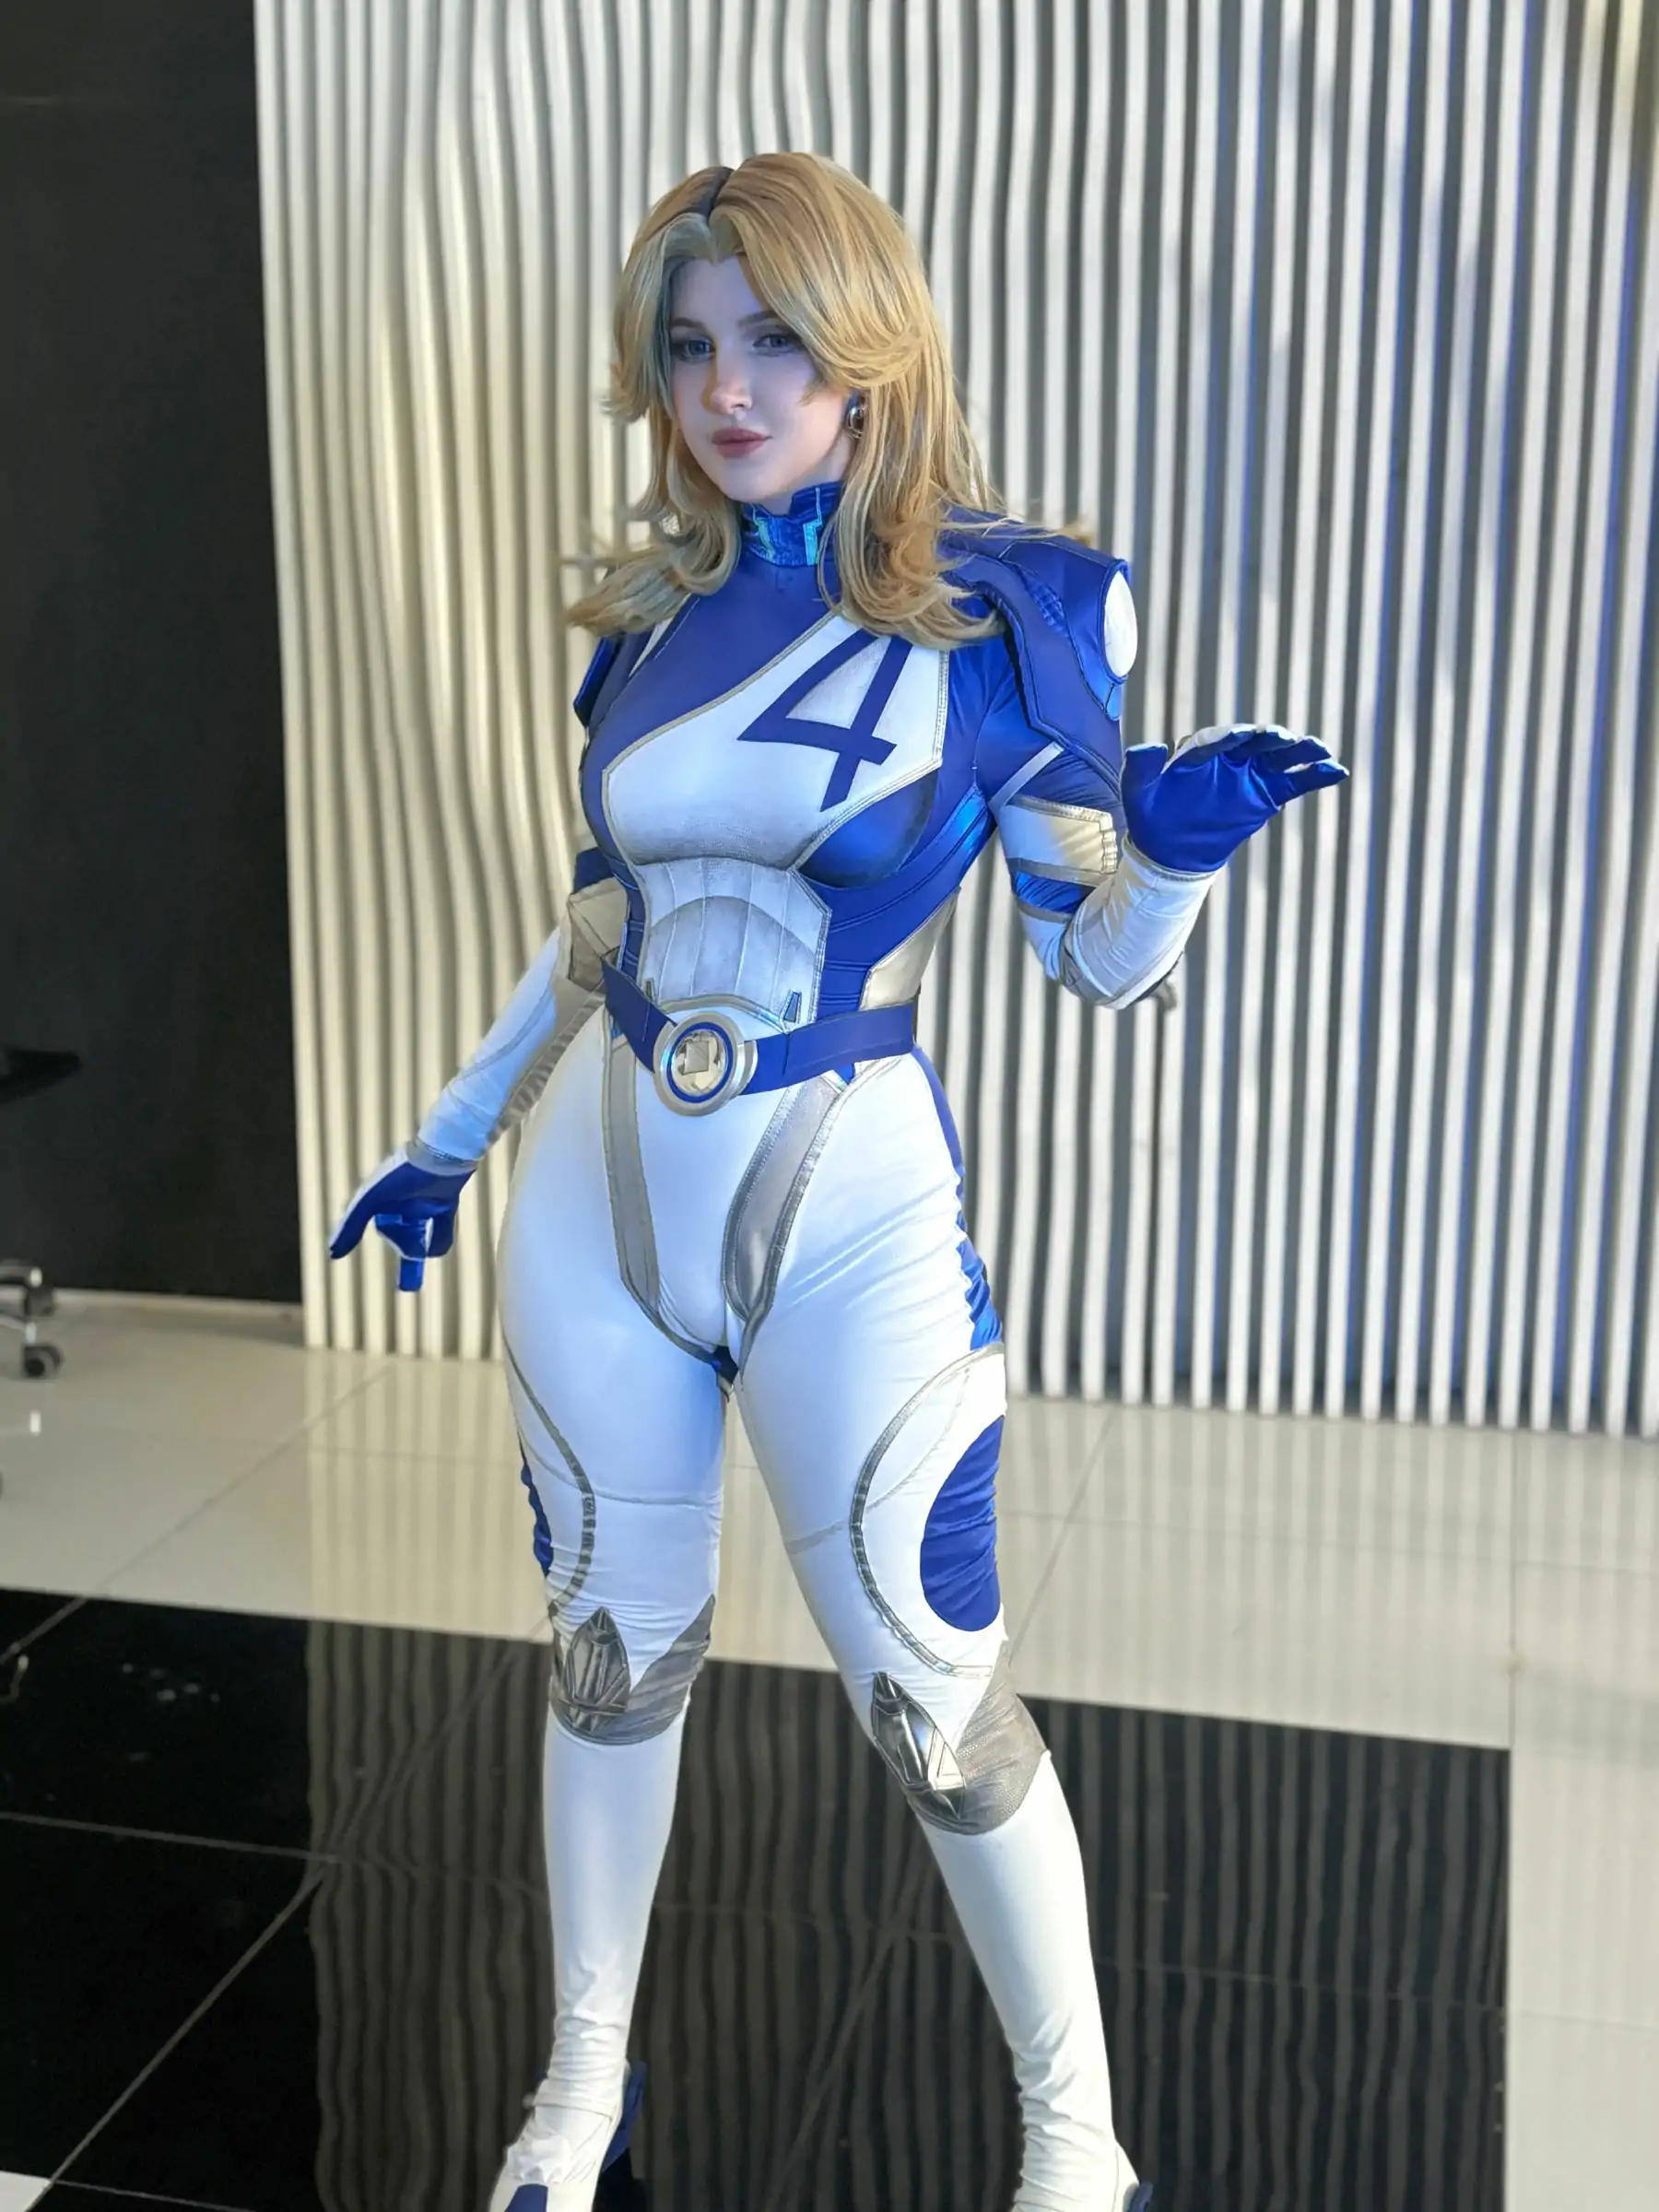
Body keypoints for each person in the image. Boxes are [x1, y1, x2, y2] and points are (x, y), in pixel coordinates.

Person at [331, 151, 1345, 2212]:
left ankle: (1079, 2142)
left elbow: (1099, 964)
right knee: (609, 1661)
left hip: (848, 1194)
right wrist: (446, 1141)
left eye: (778, 340)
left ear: (872, 348)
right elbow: (598, 922)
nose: (729, 389)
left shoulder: (1013, 610)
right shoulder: (647, 618)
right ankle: (581, 2086)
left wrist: (1176, 852)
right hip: (603, 1190)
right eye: (692, 345)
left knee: (932, 1697)